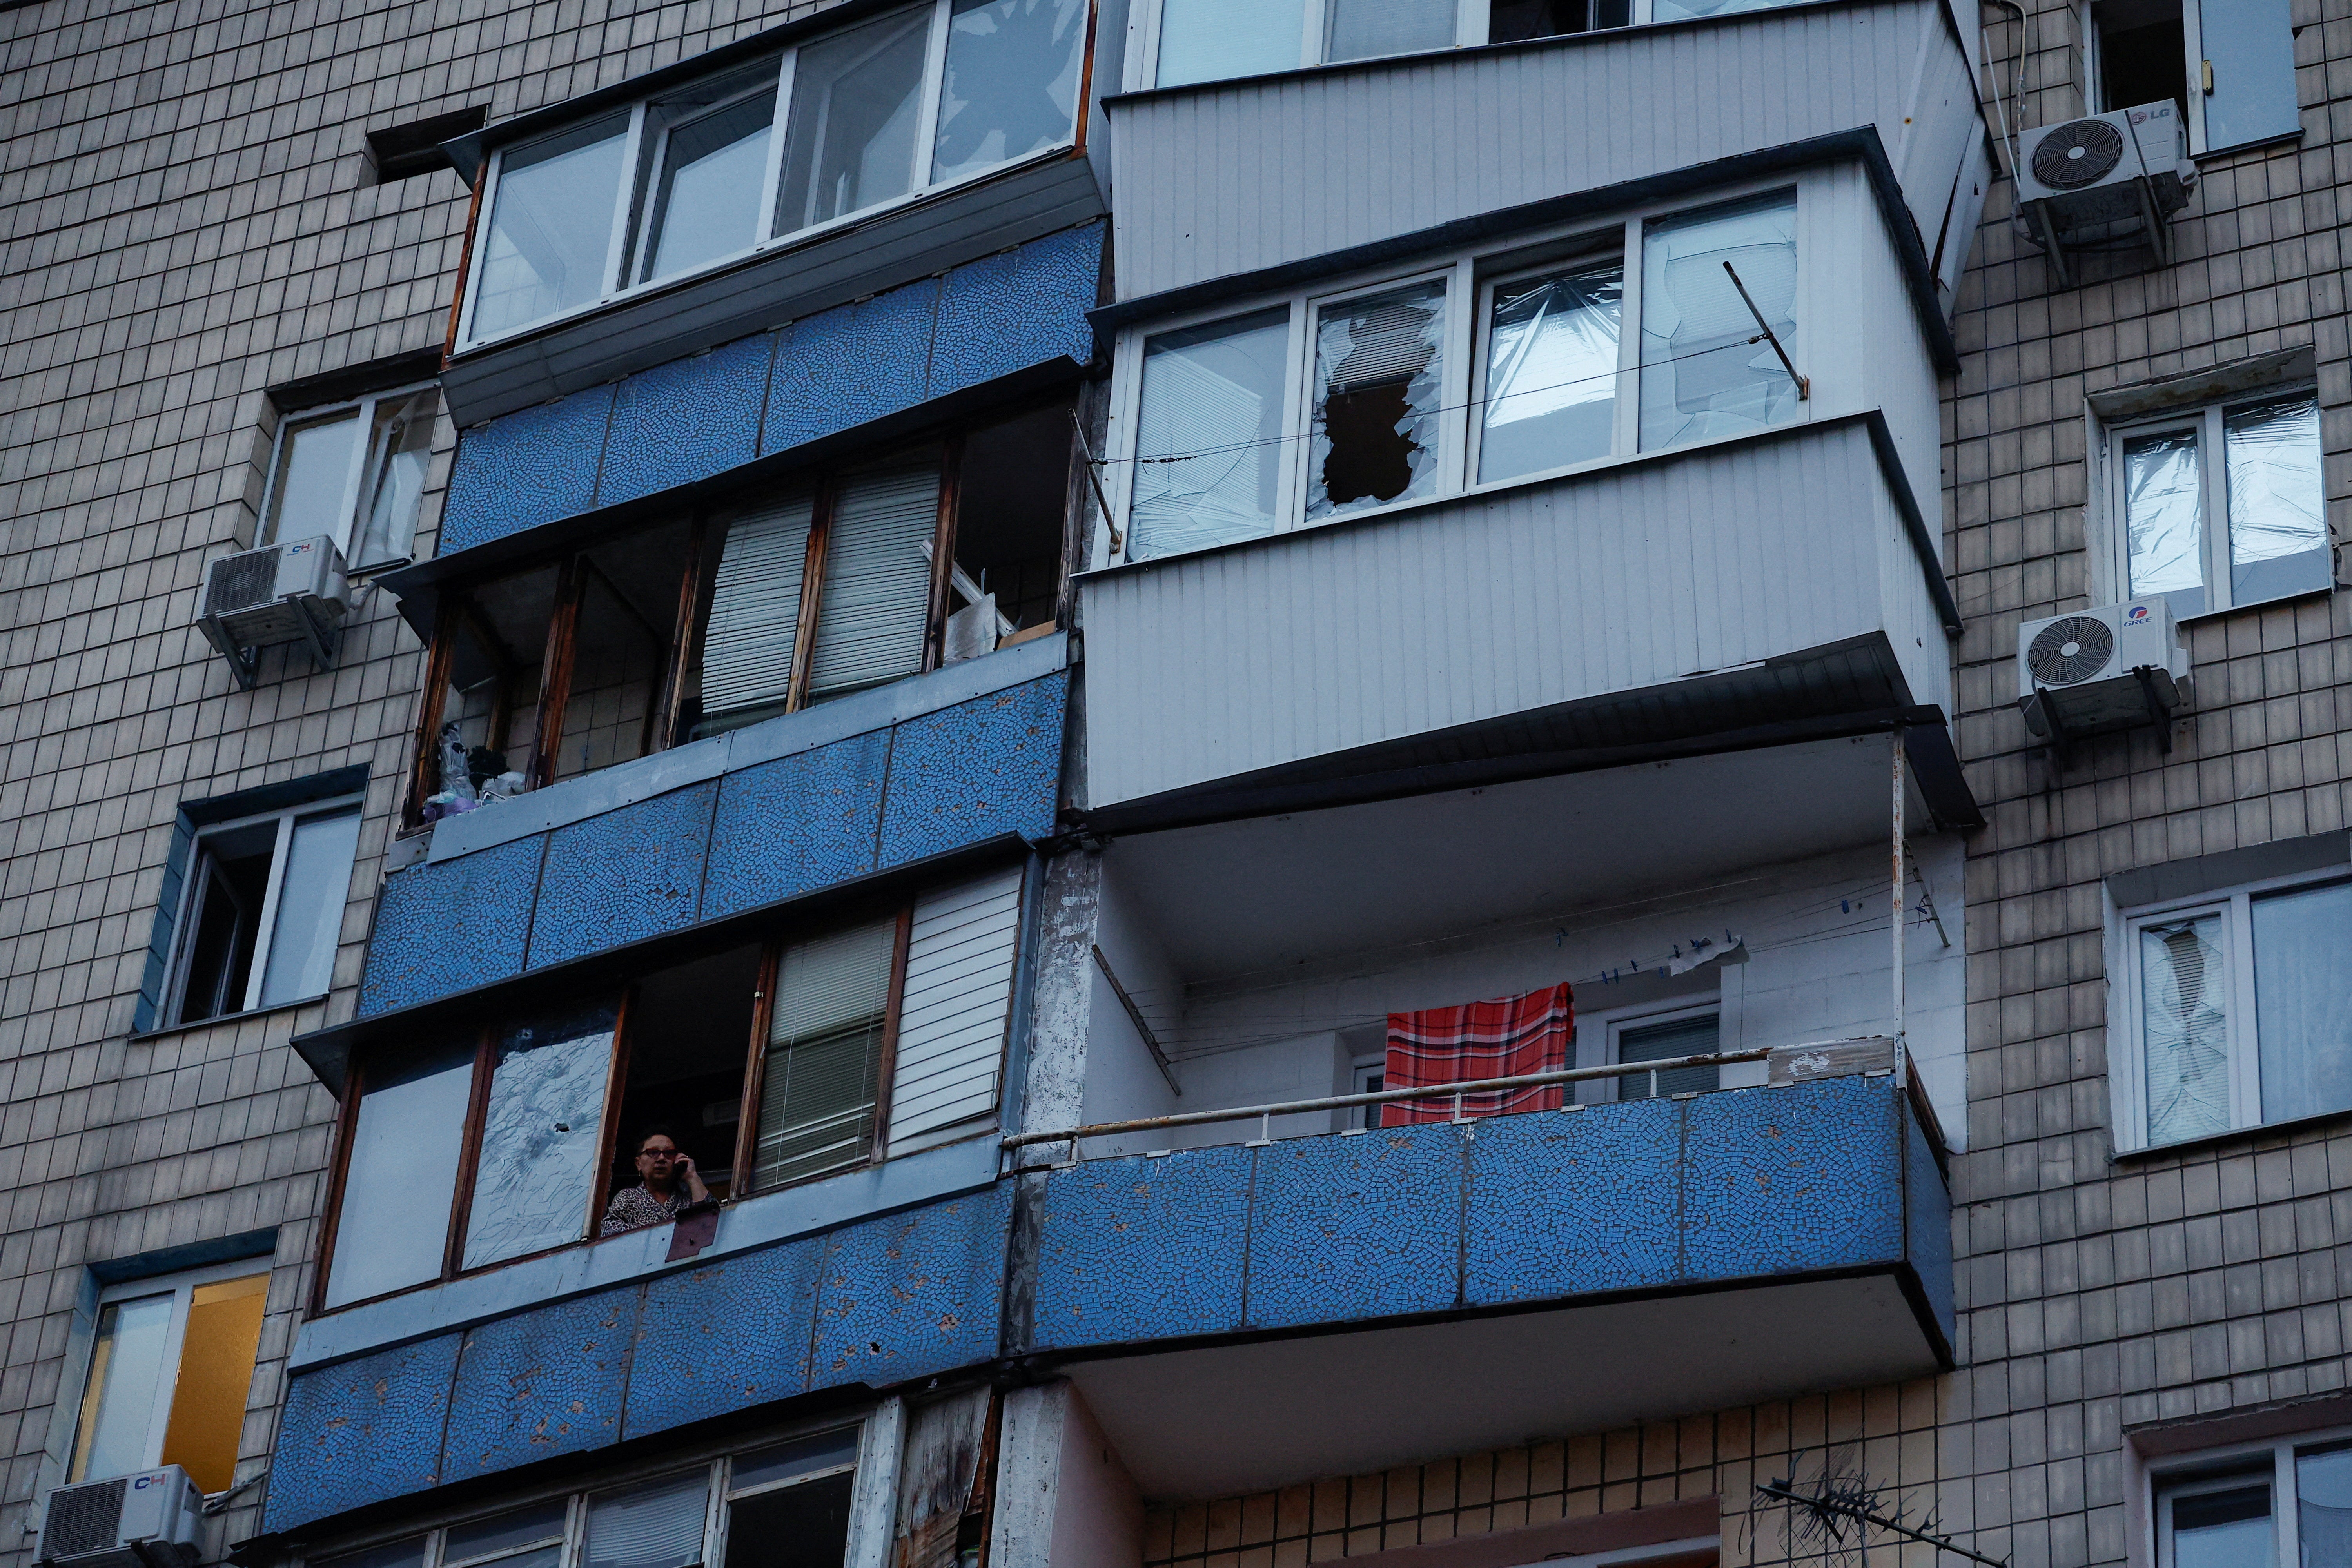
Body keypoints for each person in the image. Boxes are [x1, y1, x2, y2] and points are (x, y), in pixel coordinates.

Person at [600, 1127, 711, 1235]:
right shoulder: (628, 1198)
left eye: (669, 1153)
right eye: (653, 1153)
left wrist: (692, 1177)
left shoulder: (689, 1195)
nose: (662, 1159)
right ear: (638, 1164)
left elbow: (712, 1221)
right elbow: (609, 1231)